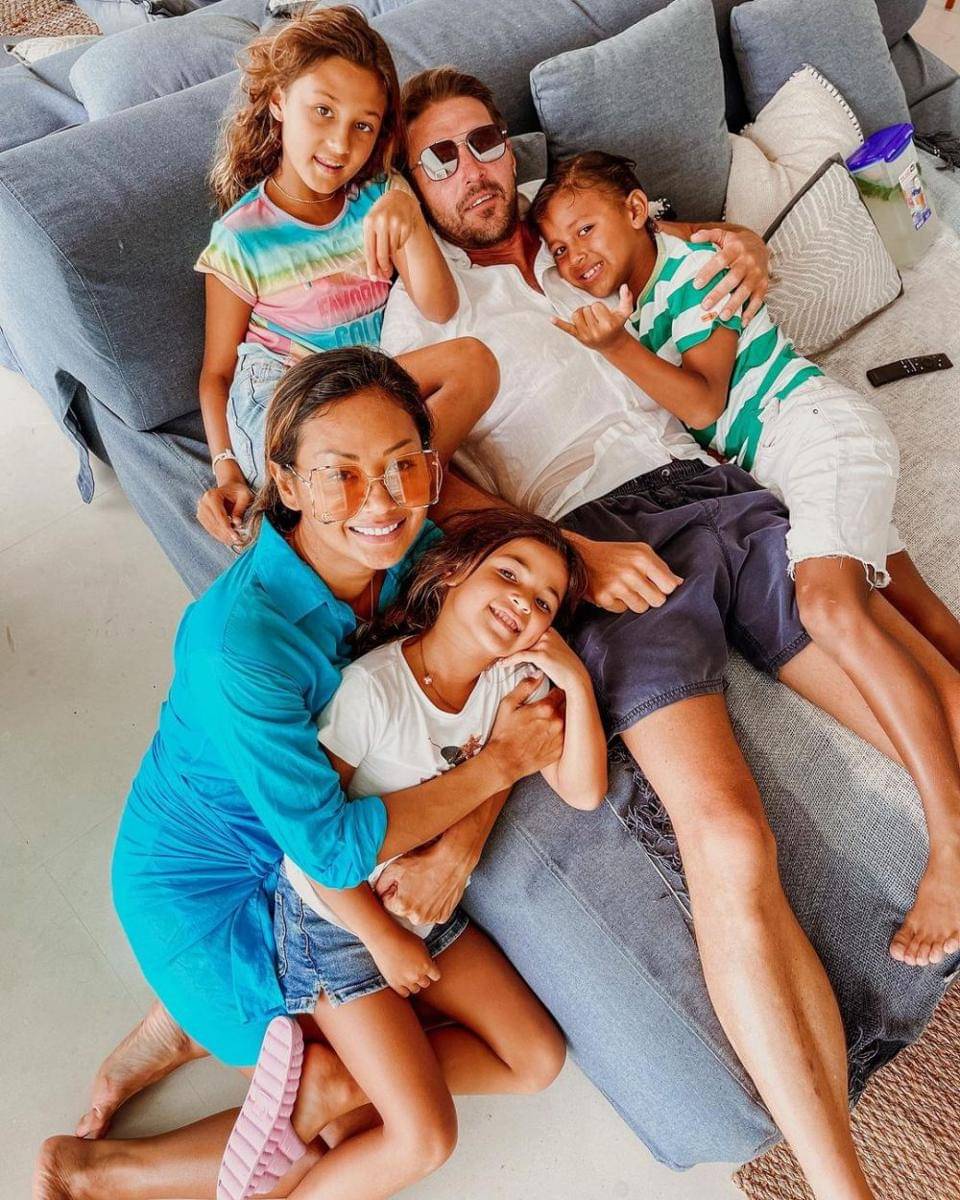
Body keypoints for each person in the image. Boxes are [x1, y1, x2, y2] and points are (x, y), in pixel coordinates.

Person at [372, 66, 952, 1200]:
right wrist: (571, 553)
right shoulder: (423, 315)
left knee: (909, 693)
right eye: (437, 157)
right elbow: (428, 489)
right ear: (412, 187)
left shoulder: (564, 233)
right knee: (728, 837)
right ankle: (843, 1186)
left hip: (716, 490)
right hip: (596, 544)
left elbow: (675, 245)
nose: (471, 169)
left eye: (483, 141)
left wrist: (739, 244)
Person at [34, 346, 562, 1200]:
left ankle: (194, 1034)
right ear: (285, 482)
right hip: (217, 891)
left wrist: (466, 837)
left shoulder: (413, 553)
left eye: (402, 466)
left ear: (430, 467)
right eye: (339, 475)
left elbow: (515, 683)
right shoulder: (240, 644)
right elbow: (333, 850)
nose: (380, 503)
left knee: (419, 1080)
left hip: (301, 872)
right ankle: (101, 1167)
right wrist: (496, 770)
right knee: (357, 1113)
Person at [532, 150, 960, 968]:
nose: (573, 255)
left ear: (636, 210)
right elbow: (606, 248)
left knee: (828, 606)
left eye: (585, 229)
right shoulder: (637, 283)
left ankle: (951, 841)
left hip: (815, 433)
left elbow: (704, 397)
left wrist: (618, 346)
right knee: (922, 619)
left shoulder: (695, 272)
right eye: (558, 247)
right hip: (791, 470)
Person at [219, 509, 604, 1199]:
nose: (523, 600)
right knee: (425, 1139)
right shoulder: (372, 692)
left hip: (420, 915)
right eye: (508, 574)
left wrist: (574, 681)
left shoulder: (511, 685)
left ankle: (341, 1083)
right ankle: (341, 1098)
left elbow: (583, 790)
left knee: (536, 1058)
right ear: (452, 573)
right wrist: (382, 940)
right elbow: (310, 848)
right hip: (334, 924)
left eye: (544, 602)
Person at [194, 6, 459, 549]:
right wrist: (226, 471)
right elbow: (216, 374)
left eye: (363, 125)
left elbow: (441, 307)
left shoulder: (381, 198)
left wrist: (410, 217)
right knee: (340, 465)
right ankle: (348, 510)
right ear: (278, 101)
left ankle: (406, 485)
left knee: (472, 364)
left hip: (367, 387)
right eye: (322, 111)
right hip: (284, 394)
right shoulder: (241, 237)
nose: (341, 144)